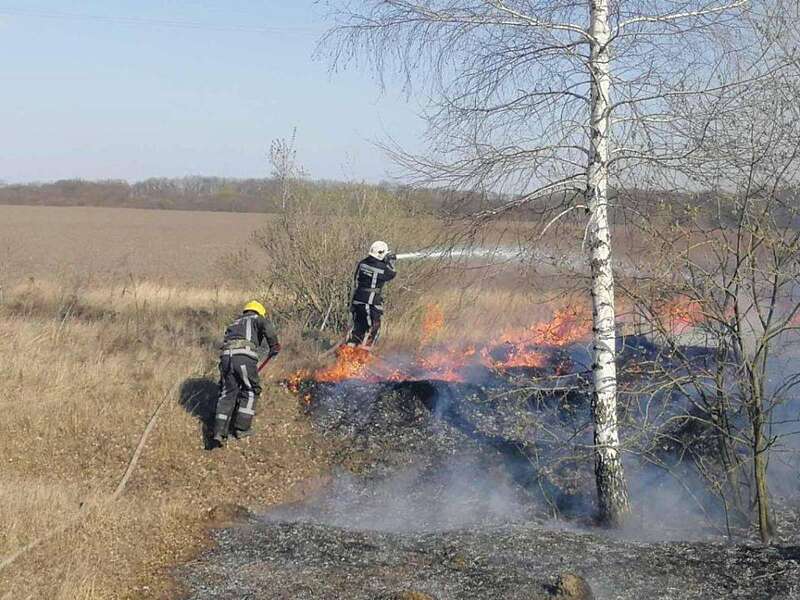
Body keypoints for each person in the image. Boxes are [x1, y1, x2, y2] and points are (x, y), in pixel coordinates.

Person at [212, 300, 280, 447]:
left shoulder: (234, 323)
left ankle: (218, 432)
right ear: (258, 311)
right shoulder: (257, 318)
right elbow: (268, 327)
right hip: (244, 357)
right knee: (251, 390)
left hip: (225, 358)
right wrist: (274, 345)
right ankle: (241, 428)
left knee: (227, 393)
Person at [346, 241, 397, 349]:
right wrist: (390, 262)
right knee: (373, 328)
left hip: (357, 300)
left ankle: (349, 353)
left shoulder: (362, 263)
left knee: (359, 328)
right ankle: (362, 355)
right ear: (381, 253)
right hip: (369, 303)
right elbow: (392, 274)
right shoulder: (381, 267)